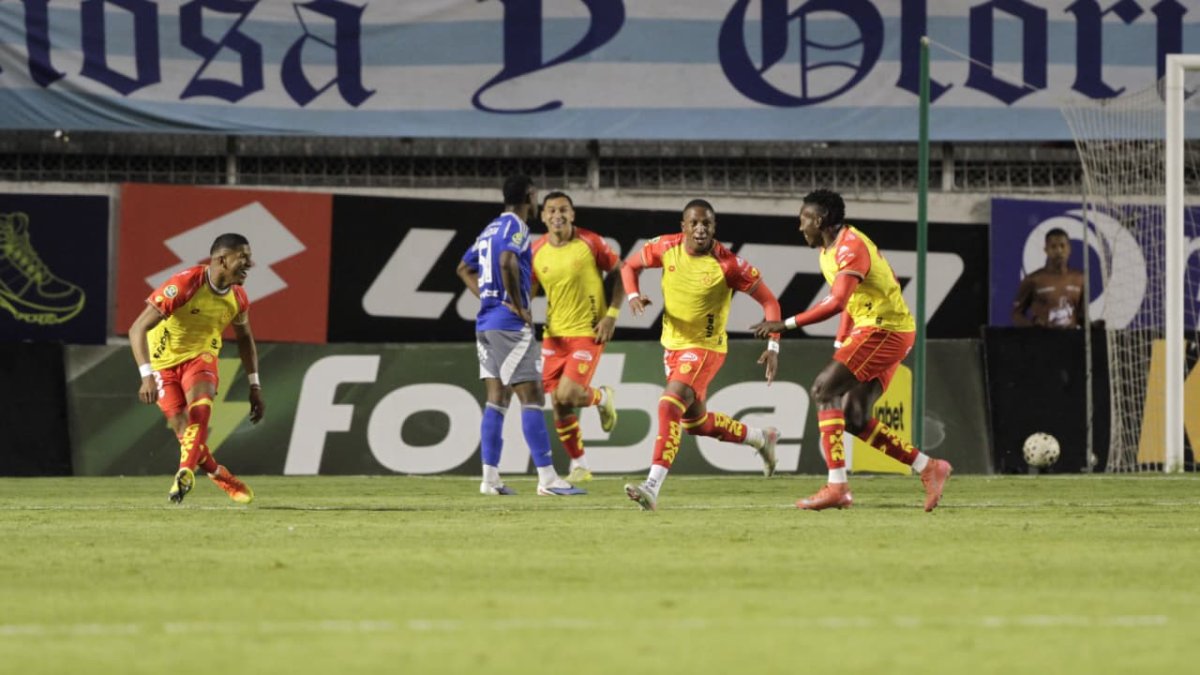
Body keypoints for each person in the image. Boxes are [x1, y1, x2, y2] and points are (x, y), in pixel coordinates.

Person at [751, 189, 952, 512]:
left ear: (820, 220)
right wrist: (839, 344)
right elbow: (853, 302)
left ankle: (837, 487)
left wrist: (785, 325)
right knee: (854, 417)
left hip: (885, 329)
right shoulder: (828, 251)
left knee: (822, 389)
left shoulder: (851, 246)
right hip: (877, 328)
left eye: (804, 219)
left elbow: (838, 301)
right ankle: (929, 467)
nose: (800, 226)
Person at [620, 199, 782, 511]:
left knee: (668, 405)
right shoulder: (666, 247)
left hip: (706, 348)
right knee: (696, 424)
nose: (700, 228)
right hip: (672, 346)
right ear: (682, 227)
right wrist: (633, 295)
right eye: (693, 222)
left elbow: (770, 303)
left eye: (706, 223)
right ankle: (762, 438)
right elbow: (630, 266)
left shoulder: (729, 264)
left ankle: (651, 486)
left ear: (714, 227)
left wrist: (773, 345)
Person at [456, 175, 585, 497]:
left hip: (485, 324)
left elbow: (463, 268)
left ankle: (490, 479)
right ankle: (548, 479)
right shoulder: (516, 227)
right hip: (509, 325)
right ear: (531, 196)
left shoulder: (490, 229)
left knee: (497, 400)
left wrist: (488, 299)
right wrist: (516, 304)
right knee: (533, 398)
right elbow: (507, 260)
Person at [128, 233, 263, 505]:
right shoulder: (184, 284)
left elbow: (245, 340)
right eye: (243, 257)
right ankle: (218, 473)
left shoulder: (238, 298)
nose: (251, 263)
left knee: (200, 410)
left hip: (201, 358)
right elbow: (137, 328)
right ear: (222, 260)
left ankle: (184, 472)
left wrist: (255, 385)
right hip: (162, 363)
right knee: (184, 431)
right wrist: (146, 376)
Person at [530, 191, 621, 483]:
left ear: (573, 214)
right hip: (553, 336)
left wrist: (612, 315)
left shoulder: (590, 242)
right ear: (543, 216)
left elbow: (621, 272)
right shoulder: (535, 251)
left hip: (587, 331)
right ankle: (580, 464)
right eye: (551, 210)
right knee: (558, 401)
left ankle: (602, 397)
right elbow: (528, 292)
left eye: (563, 210)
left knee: (568, 393)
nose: (557, 215)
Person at [1011, 227, 1086, 328]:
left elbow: (1081, 316)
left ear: (1069, 249)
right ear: (1046, 250)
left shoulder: (1080, 278)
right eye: (1053, 247)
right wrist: (1033, 326)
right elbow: (1016, 314)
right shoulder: (1033, 279)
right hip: (1043, 341)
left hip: (1071, 341)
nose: (1058, 251)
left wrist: (1092, 326)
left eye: (1062, 246)